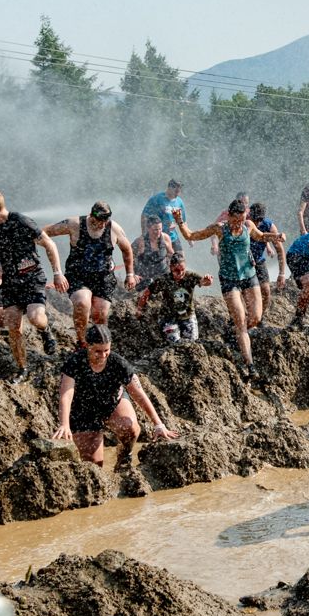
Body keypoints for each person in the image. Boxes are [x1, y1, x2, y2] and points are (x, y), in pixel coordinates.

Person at [172, 197, 283, 376]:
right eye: (235, 220)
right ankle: (250, 364)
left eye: (241, 219)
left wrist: (276, 237)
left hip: (249, 276)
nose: (238, 224)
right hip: (229, 279)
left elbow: (261, 236)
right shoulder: (220, 228)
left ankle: (236, 336)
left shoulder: (248, 226)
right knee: (240, 321)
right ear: (229, 216)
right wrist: (179, 221)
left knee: (255, 317)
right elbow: (191, 235)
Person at [52, 323, 174, 469]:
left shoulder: (118, 363)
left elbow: (139, 394)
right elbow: (66, 394)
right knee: (94, 465)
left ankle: (125, 454)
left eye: (106, 350)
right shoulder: (75, 362)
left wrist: (158, 424)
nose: (103, 356)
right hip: (83, 411)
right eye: (98, 351)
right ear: (87, 346)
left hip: (112, 403)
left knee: (130, 429)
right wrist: (64, 424)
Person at [0, 189, 65, 374]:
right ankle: (22, 368)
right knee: (13, 327)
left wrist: (57, 273)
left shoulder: (21, 221)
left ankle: (45, 330)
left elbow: (49, 244)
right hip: (11, 283)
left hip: (32, 278)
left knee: (35, 318)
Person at [46, 201, 139, 347]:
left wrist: (130, 274)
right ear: (91, 216)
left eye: (105, 221)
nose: (102, 224)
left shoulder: (113, 228)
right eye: (99, 221)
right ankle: (82, 343)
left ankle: (100, 345)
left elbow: (127, 250)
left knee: (100, 314)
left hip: (103, 278)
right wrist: (56, 271)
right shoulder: (75, 224)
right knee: (83, 303)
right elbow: (44, 233)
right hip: (78, 275)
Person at [142, 254, 213, 343]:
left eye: (182, 269)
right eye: (176, 270)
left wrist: (208, 281)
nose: (180, 273)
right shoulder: (164, 280)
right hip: (168, 317)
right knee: (174, 343)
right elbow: (147, 292)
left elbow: (203, 282)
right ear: (171, 268)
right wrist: (139, 309)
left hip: (187, 316)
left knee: (193, 343)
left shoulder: (190, 276)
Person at [132, 216, 179, 297]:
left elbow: (172, 254)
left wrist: (175, 269)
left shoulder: (165, 238)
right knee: (148, 287)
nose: (158, 232)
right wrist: (132, 274)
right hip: (145, 275)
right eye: (155, 230)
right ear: (148, 228)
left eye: (160, 229)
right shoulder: (140, 241)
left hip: (162, 272)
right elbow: (129, 257)